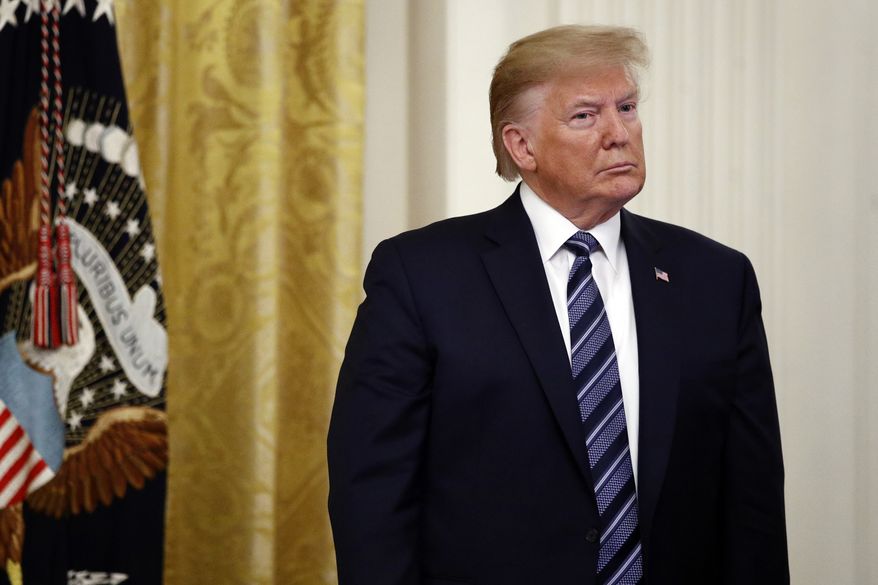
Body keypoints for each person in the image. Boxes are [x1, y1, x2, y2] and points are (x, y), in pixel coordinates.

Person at [327, 25, 788, 585]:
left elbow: (753, 500)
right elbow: (371, 492)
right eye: (585, 116)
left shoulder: (717, 278)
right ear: (521, 145)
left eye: (627, 107)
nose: (619, 133)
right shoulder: (422, 274)